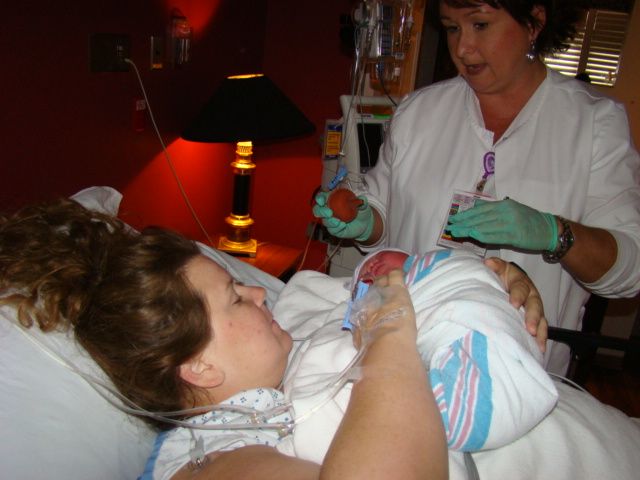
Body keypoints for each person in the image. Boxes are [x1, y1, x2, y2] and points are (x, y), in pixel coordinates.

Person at [0, 198, 447, 480]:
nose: (260, 292)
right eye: (235, 298)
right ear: (199, 366)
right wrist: (389, 333)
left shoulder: (276, 386)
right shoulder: (211, 460)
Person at [313, 0, 640, 374]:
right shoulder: (418, 112)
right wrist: (363, 220)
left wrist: (555, 234)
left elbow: (630, 268)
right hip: (404, 356)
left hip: (517, 373)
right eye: (453, 28)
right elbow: (384, 209)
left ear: (534, 22)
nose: (463, 48)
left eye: (480, 25)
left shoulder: (593, 122)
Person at [284, 246, 557, 457]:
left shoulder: (438, 265)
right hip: (457, 336)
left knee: (475, 387)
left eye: (381, 257)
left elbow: (478, 272)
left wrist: (507, 273)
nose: (372, 267)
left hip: (482, 312)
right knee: (466, 403)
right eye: (363, 282)